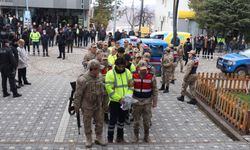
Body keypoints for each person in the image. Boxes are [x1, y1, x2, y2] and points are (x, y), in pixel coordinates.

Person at [74, 59, 106, 148]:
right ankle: (88, 138)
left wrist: (104, 103)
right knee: (87, 122)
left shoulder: (100, 76)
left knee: (100, 122)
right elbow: (78, 94)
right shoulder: (83, 79)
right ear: (93, 69)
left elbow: (103, 90)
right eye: (98, 69)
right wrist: (76, 106)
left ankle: (99, 137)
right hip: (87, 105)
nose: (100, 70)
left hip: (98, 104)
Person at [105, 57, 133, 143]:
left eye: (122, 66)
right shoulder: (110, 74)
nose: (121, 68)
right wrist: (119, 98)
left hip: (125, 101)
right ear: (115, 65)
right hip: (114, 102)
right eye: (119, 66)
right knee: (112, 121)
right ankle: (110, 139)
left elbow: (131, 86)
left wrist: (127, 97)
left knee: (122, 120)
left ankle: (120, 138)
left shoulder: (128, 72)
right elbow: (109, 89)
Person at [132, 60, 158, 143]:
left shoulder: (151, 76)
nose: (143, 71)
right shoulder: (134, 76)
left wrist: (155, 101)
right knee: (136, 122)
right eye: (141, 69)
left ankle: (146, 136)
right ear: (138, 68)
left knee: (147, 121)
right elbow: (129, 89)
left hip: (147, 102)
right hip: (136, 102)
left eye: (145, 69)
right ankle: (136, 136)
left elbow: (155, 89)